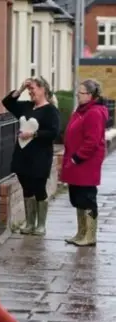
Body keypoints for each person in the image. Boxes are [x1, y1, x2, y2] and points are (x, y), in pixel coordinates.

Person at [2, 76, 61, 236]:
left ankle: (40, 225)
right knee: (26, 188)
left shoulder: (51, 111)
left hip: (40, 156)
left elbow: (53, 132)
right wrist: (20, 88)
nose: (30, 92)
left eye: (32, 89)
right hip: (22, 155)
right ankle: (29, 223)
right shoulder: (27, 107)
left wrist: (33, 134)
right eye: (29, 90)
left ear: (43, 90)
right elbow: (7, 103)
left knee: (39, 188)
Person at [61, 79, 107, 247]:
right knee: (77, 198)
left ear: (90, 95)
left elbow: (92, 141)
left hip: (85, 163)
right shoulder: (81, 111)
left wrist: (77, 158)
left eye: (80, 93)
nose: (77, 95)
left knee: (87, 197)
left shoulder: (94, 112)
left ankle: (89, 235)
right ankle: (81, 233)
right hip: (76, 163)